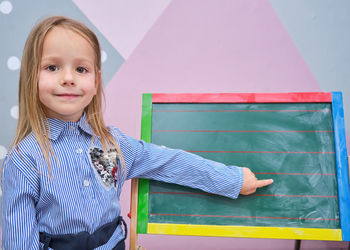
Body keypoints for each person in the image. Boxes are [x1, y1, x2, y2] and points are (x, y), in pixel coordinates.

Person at [1, 16, 273, 250]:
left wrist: (232, 179)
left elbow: (171, 162)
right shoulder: (25, 160)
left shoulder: (114, 144)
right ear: (30, 77)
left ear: (96, 81)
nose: (68, 78)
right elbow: (18, 241)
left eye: (81, 69)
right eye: (52, 67)